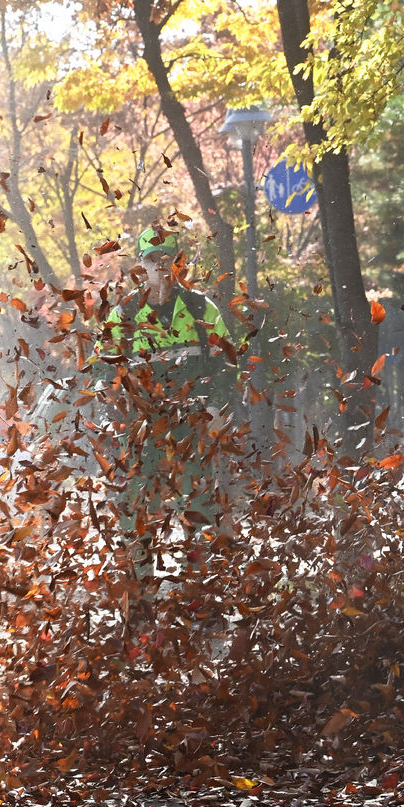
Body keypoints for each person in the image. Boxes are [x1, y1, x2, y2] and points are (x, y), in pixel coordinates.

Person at [93, 222, 236, 557]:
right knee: (136, 498)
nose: (159, 265)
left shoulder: (200, 308)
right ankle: (137, 575)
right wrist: (110, 411)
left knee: (196, 498)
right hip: (142, 425)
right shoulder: (126, 312)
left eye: (166, 258)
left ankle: (197, 574)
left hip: (193, 420)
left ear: (177, 262)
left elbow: (227, 362)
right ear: (141, 265)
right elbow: (103, 367)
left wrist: (217, 407)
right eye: (152, 258)